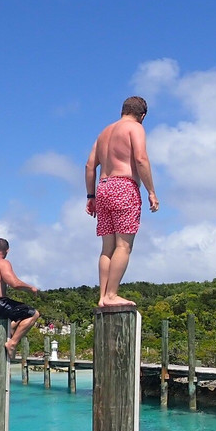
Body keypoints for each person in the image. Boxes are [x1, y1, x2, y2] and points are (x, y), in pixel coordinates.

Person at [85, 95, 159, 307]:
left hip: (103, 188)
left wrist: (91, 196)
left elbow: (90, 166)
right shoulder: (135, 128)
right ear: (142, 115)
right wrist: (151, 191)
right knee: (123, 246)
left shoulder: (104, 133)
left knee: (107, 247)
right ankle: (111, 294)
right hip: (124, 187)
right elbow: (141, 159)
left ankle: (102, 297)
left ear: (122, 110)